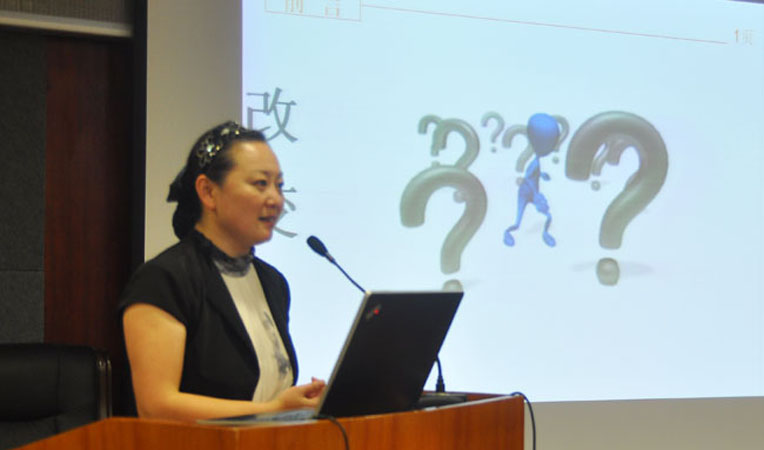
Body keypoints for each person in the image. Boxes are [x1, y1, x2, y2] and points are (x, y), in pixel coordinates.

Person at [119, 121, 324, 422]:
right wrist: (274, 410)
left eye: (279, 186)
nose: (276, 200)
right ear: (208, 192)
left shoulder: (273, 283)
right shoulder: (164, 280)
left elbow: (265, 393)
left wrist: (299, 404)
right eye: (260, 184)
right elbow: (156, 406)